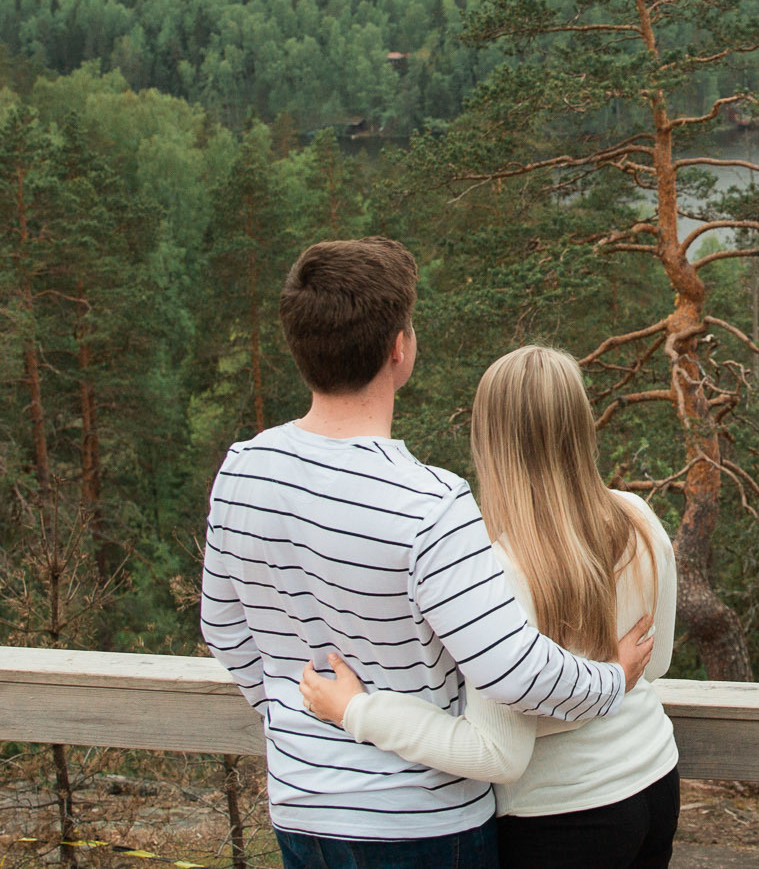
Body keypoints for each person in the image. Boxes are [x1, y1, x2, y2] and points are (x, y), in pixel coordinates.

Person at [200, 239, 656, 869]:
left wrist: (298, 722)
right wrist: (611, 681)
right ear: (400, 349)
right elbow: (515, 671)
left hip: (302, 807)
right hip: (423, 821)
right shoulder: (430, 504)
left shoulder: (243, 472)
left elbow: (223, 630)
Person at [300, 345, 681, 869]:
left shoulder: (497, 568)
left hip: (561, 816)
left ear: (490, 440)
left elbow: (494, 753)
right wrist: (603, 682)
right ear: (580, 424)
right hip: (655, 780)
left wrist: (357, 711)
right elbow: (652, 664)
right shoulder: (637, 516)